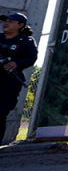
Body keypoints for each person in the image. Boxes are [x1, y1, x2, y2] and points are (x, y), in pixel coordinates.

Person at [0, 12, 37, 144]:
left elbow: (31, 58)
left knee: (1, 112)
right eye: (6, 21)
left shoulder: (26, 41)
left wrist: (16, 64)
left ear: (21, 25)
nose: (6, 23)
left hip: (9, 81)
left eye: (11, 21)